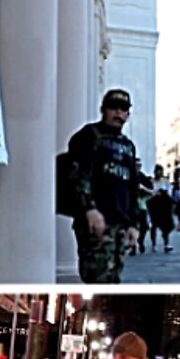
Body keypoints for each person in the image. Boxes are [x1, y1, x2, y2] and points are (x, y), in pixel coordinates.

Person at [65, 89, 141, 283]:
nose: (118, 113)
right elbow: (77, 175)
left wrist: (134, 224)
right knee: (96, 276)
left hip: (120, 223)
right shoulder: (88, 136)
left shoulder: (128, 146)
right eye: (113, 108)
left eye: (123, 109)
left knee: (114, 277)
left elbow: (133, 186)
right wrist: (89, 209)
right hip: (96, 221)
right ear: (103, 110)